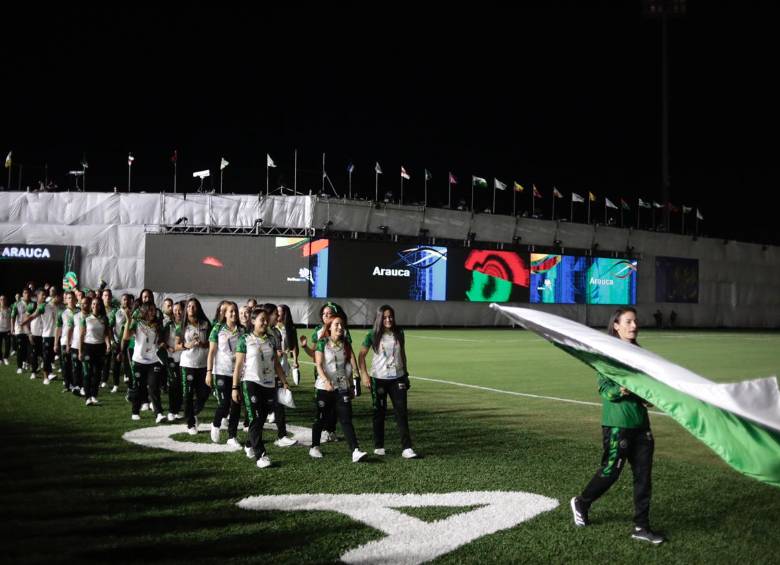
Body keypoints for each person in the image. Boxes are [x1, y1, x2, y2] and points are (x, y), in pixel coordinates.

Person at [570, 307, 664, 544]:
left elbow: (647, 392)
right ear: (616, 325)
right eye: (629, 322)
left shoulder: (640, 354)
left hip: (641, 426)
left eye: (635, 321)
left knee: (643, 478)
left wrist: (648, 397)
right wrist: (622, 388)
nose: (634, 326)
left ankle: (641, 527)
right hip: (617, 425)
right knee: (611, 472)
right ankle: (582, 502)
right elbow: (604, 389)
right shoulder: (607, 354)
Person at [232, 307, 291, 469]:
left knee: (261, 418)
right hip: (250, 383)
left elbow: (276, 364)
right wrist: (235, 388)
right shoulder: (244, 339)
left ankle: (249, 444)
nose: (265, 322)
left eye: (266, 319)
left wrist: (284, 381)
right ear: (252, 321)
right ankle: (261, 455)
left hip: (269, 384)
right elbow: (238, 366)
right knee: (254, 418)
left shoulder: (271, 340)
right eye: (261, 320)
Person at [358, 305, 417, 459]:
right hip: (379, 379)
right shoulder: (372, 334)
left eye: (390, 316)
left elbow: (402, 353)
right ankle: (379, 446)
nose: (388, 319)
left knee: (401, 412)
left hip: (398, 378)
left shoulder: (399, 332)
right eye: (384, 317)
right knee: (379, 412)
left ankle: (407, 448)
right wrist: (364, 375)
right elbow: (361, 355)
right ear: (379, 319)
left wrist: (406, 373)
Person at [309, 313, 367, 463]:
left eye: (341, 325)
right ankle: (314, 446)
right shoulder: (322, 343)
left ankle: (355, 450)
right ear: (329, 327)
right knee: (320, 419)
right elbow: (319, 365)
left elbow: (347, 364)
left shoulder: (345, 344)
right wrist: (326, 381)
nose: (340, 327)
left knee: (346, 418)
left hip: (341, 386)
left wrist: (351, 385)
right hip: (324, 387)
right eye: (336, 325)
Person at [206, 301, 243, 445]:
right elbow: (211, 352)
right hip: (221, 372)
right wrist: (209, 372)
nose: (233, 313)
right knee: (224, 403)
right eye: (230, 311)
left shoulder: (242, 331)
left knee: (236, 404)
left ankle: (232, 436)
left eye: (235, 311)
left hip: (237, 374)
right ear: (225, 313)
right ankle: (215, 424)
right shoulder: (217, 329)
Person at [123, 302, 166, 422]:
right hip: (138, 361)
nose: (153, 312)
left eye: (154, 310)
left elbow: (159, 341)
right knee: (139, 387)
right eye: (150, 310)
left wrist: (161, 344)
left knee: (153, 386)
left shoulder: (157, 324)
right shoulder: (137, 323)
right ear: (145, 311)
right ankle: (135, 411)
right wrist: (128, 320)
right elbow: (126, 337)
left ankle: (159, 414)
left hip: (153, 361)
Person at [177, 298, 211, 434]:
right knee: (188, 394)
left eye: (194, 306)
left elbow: (211, 342)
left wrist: (203, 344)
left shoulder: (205, 323)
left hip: (203, 363)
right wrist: (187, 345)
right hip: (187, 364)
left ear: (198, 308)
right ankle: (190, 423)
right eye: (189, 306)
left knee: (205, 392)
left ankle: (193, 412)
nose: (191, 308)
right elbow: (177, 345)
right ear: (186, 309)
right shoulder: (182, 325)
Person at [79, 296, 112, 406]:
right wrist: (80, 351)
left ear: (100, 306)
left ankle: (94, 395)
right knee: (87, 373)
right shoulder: (86, 318)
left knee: (97, 374)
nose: (95, 306)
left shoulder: (104, 319)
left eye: (97, 304)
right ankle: (87, 397)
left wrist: (108, 344)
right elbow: (81, 335)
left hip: (100, 348)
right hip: (88, 347)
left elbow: (106, 334)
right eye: (93, 304)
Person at [0, 295, 11, 364]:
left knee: (8, 345)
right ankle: (0, 359)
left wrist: (11, 329)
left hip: (7, 329)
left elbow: (11, 319)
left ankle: (5, 358)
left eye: (4, 299)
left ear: (6, 300)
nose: (2, 301)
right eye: (1, 299)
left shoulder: (9, 309)